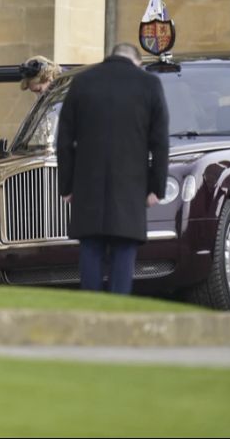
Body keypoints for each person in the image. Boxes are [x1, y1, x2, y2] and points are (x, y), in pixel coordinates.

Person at [56, 43, 169, 295]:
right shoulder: (148, 84)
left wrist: (67, 186)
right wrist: (156, 188)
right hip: (130, 189)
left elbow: (64, 141)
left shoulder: (83, 82)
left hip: (88, 189)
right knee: (123, 258)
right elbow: (160, 143)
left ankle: (94, 317)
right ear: (137, 61)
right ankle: (118, 317)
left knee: (91, 253)